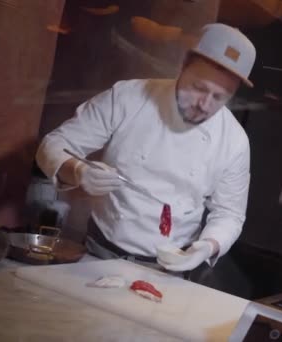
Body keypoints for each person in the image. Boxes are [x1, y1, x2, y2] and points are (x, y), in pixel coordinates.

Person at [35, 23, 256, 281]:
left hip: (169, 272)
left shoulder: (234, 141)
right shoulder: (128, 97)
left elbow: (230, 214)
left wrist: (208, 245)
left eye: (219, 97)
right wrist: (77, 171)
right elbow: (53, 144)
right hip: (98, 254)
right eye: (198, 87)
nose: (204, 105)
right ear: (183, 64)